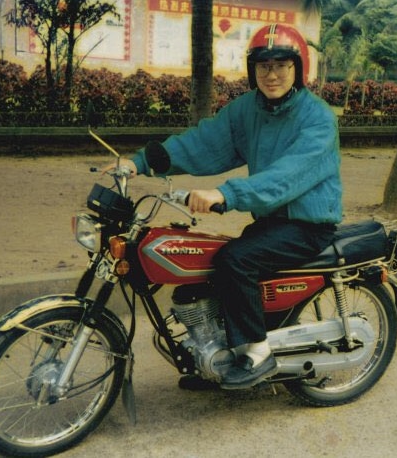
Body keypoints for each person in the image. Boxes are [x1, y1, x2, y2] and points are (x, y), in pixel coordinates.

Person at [107, 23, 342, 389]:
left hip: (308, 225)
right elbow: (204, 142)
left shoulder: (318, 118)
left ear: (299, 68)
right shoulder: (248, 109)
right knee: (209, 263)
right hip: (272, 220)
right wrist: (140, 162)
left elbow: (286, 176)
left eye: (282, 64)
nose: (272, 74)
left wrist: (225, 194)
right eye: (263, 66)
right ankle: (216, 357)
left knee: (236, 259)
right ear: (252, 71)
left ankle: (258, 353)